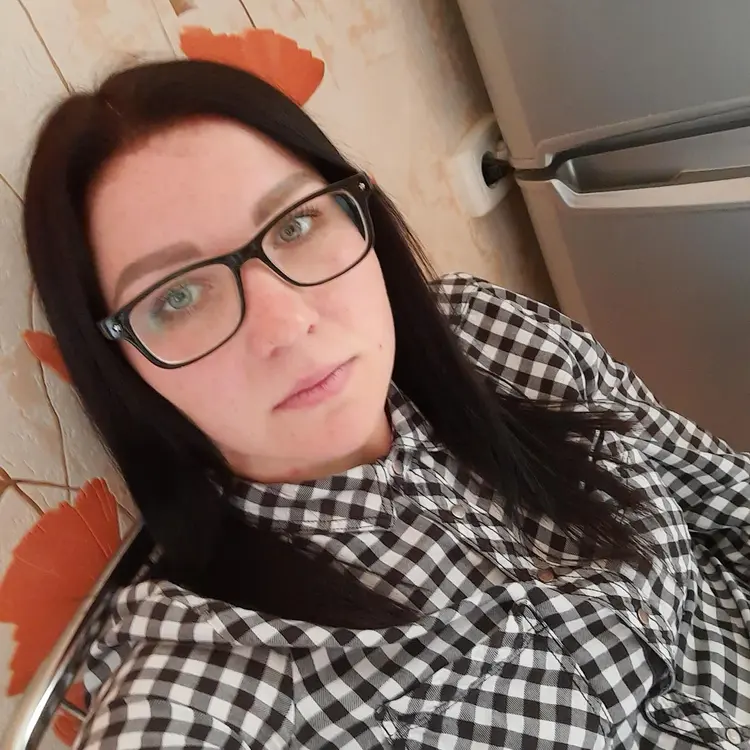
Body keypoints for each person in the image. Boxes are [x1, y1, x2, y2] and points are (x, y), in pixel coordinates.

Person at [23, 60, 748, 750]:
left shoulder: (483, 332)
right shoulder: (204, 679)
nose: (286, 325)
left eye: (295, 226)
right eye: (178, 296)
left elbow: (726, 500)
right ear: (118, 363)